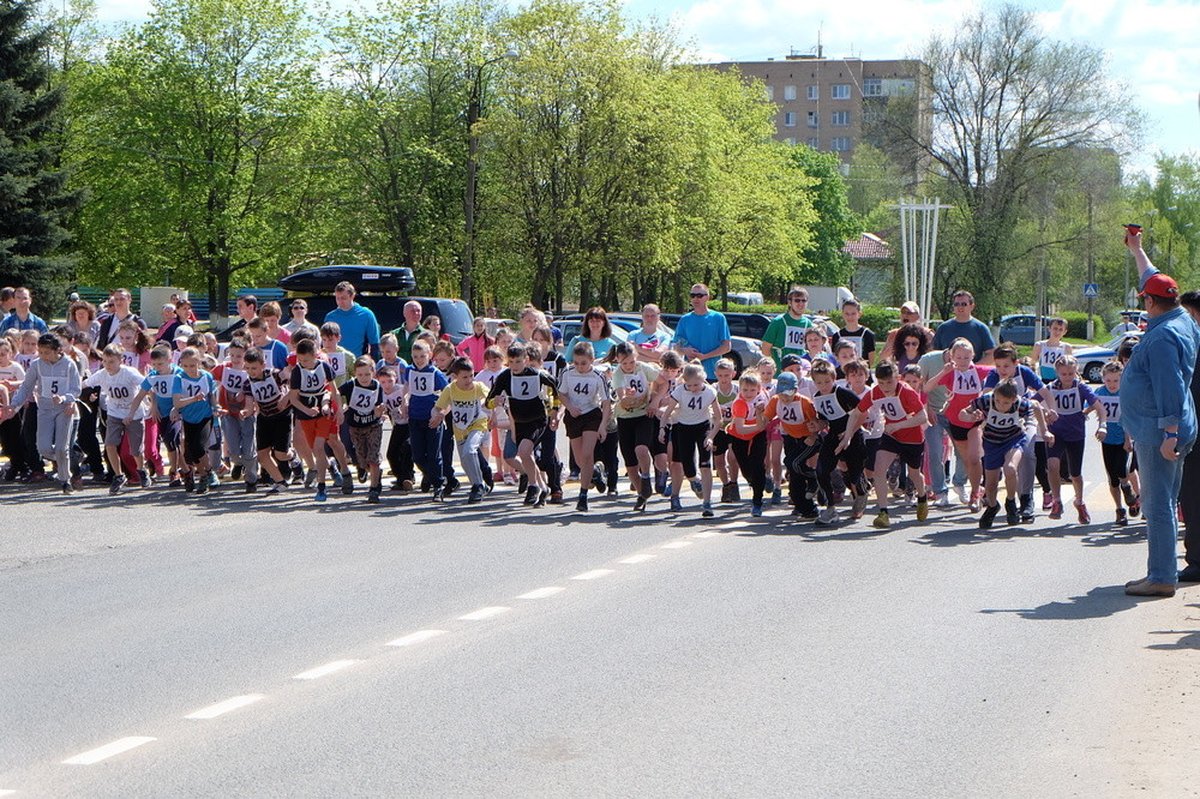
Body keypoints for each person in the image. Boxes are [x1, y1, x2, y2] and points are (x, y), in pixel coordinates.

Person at [1121, 229, 1200, 597]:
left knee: (1158, 505)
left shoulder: (1164, 336)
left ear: (1150, 304)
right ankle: (1161, 571)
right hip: (1169, 425)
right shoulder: (1181, 316)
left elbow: (1169, 387)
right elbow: (1152, 278)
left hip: (1160, 432)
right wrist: (1138, 250)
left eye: (1144, 300)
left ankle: (1161, 576)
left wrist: (1168, 434)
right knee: (1164, 501)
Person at [840, 360, 928, 528]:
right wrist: (847, 435)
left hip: (912, 437)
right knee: (879, 470)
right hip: (891, 436)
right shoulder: (875, 393)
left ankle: (922, 497)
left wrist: (898, 425)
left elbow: (923, 417)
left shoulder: (907, 392)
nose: (885, 387)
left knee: (914, 474)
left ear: (898, 378)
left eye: (889, 382)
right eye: (881, 383)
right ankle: (883, 512)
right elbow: (857, 412)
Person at [962, 379, 1047, 529]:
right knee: (991, 483)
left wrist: (1043, 430)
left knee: (1010, 468)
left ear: (1014, 399)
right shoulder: (986, 400)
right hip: (991, 443)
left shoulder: (1021, 404)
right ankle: (993, 506)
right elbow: (962, 413)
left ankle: (1011, 501)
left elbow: (1036, 408)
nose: (1001, 406)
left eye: (1006, 403)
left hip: (1013, 440)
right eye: (998, 401)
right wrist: (970, 417)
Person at [3, 333, 80, 493]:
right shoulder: (37, 364)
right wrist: (14, 404)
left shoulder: (69, 364)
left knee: (61, 447)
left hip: (64, 409)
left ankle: (65, 480)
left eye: (47, 352)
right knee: (43, 448)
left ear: (57, 350)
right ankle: (69, 459)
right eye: (41, 352)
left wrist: (65, 398)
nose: (43, 356)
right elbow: (26, 386)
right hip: (44, 410)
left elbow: (76, 388)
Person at [485, 342, 559, 508]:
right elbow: (488, 401)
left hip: (537, 420)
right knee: (527, 456)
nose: (515, 366)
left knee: (523, 451)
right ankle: (543, 487)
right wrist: (493, 402)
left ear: (526, 360)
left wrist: (554, 409)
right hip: (519, 422)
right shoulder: (504, 377)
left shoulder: (537, 374)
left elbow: (556, 386)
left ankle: (533, 486)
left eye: (518, 361)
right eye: (511, 362)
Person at [1037, 355, 1104, 524]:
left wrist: (1102, 425)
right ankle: (1057, 501)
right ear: (1057, 373)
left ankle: (1079, 501)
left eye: (1071, 373)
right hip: (1056, 433)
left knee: (1075, 474)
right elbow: (1032, 402)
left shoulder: (1080, 387)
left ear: (1076, 372)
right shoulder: (1050, 388)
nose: (1067, 377)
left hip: (1075, 434)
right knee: (1052, 465)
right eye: (1064, 374)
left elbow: (1099, 406)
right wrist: (1045, 413)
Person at [927, 338, 992, 511]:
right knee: (967, 461)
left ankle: (975, 494)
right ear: (952, 357)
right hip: (956, 421)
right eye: (959, 357)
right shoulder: (950, 373)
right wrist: (942, 372)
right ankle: (976, 489)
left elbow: (1000, 371)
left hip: (975, 419)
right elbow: (927, 388)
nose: (963, 361)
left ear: (973, 356)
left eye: (966, 357)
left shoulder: (979, 371)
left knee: (974, 458)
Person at [86, 343, 151, 493]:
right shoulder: (102, 374)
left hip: (134, 414)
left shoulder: (129, 373)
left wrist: (150, 402)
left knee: (135, 450)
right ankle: (118, 475)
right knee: (109, 443)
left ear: (120, 360)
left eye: (111, 361)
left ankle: (141, 470)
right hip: (114, 413)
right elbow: (85, 384)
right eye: (105, 361)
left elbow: (147, 384)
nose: (108, 365)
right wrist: (84, 393)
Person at [658, 362, 721, 517]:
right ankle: (694, 480)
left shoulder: (710, 392)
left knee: (705, 465)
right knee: (687, 466)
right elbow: (667, 413)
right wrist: (661, 429)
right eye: (690, 385)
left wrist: (711, 437)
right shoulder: (680, 392)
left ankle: (707, 503)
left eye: (697, 385)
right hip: (684, 428)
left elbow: (719, 419)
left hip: (703, 427)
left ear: (703, 380)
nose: (693, 389)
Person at [431, 356, 493, 505]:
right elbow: (438, 407)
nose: (469, 380)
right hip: (460, 429)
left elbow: (490, 397)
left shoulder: (477, 387)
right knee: (465, 461)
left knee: (470, 450)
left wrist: (493, 404)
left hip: (477, 424)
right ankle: (478, 484)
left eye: (471, 375)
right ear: (455, 376)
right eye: (464, 377)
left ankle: (478, 486)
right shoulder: (450, 389)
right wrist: (437, 415)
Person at [557, 341, 611, 512]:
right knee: (580, 460)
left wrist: (602, 426)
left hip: (591, 415)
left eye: (584, 363)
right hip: (574, 415)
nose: (580, 367)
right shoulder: (567, 373)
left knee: (587, 454)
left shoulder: (597, 376)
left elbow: (606, 403)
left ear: (592, 360)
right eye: (576, 363)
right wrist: (570, 407)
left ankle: (583, 495)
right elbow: (561, 393)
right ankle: (595, 471)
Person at [764, 370, 819, 519]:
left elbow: (816, 422)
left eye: (788, 394)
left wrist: (813, 436)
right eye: (781, 394)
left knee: (792, 462)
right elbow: (765, 419)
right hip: (790, 438)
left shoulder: (804, 402)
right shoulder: (775, 401)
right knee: (794, 475)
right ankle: (807, 509)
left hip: (808, 439)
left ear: (795, 390)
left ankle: (816, 477)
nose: (784, 398)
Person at [243, 347, 292, 495]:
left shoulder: (275, 375)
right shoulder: (247, 383)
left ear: (263, 365)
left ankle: (294, 459)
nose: (252, 371)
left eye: (255, 368)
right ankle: (280, 482)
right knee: (262, 455)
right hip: (264, 417)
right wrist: (245, 412)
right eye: (248, 368)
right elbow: (249, 405)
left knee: (280, 454)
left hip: (282, 416)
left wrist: (286, 397)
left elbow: (294, 385)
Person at [1095, 361, 1139, 527]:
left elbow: (1127, 418)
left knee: (1122, 470)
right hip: (1107, 441)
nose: (1112, 385)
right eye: (1109, 381)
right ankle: (1119, 509)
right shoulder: (1099, 393)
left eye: (1116, 381)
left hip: (1122, 439)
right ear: (1103, 379)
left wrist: (1128, 439)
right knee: (1112, 477)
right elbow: (1089, 406)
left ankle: (1128, 489)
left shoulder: (1125, 394)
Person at [404, 340, 450, 500]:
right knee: (417, 455)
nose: (419, 359)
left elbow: (448, 395)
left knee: (433, 454)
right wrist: (404, 401)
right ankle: (430, 475)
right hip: (415, 417)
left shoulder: (435, 373)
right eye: (415, 356)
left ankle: (438, 487)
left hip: (432, 418)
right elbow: (407, 387)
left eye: (422, 356)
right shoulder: (409, 370)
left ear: (429, 355)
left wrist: (441, 413)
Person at [339, 356, 386, 503]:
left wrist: (380, 411)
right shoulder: (350, 385)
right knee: (362, 460)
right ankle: (373, 473)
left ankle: (373, 489)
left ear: (373, 372)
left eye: (367, 374)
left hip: (373, 425)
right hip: (356, 426)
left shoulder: (377, 386)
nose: (363, 378)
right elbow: (334, 392)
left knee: (373, 457)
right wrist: (335, 406)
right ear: (355, 374)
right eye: (360, 375)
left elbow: (380, 406)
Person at [172, 347, 219, 494]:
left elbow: (211, 395)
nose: (188, 369)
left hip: (204, 416)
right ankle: (203, 476)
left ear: (199, 363)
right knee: (192, 450)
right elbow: (177, 403)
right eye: (185, 366)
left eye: (192, 365)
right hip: (188, 418)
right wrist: (194, 399)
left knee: (199, 446)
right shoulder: (179, 378)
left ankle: (210, 472)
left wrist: (216, 407)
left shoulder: (206, 376)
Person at [672, 284, 731, 379]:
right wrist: (685, 350)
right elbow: (676, 346)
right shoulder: (685, 319)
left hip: (713, 373)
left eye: (699, 295)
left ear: (707, 297)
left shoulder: (718, 318)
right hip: (690, 374)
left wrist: (704, 356)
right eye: (692, 295)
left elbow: (726, 347)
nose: (696, 298)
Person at [932, 291, 995, 364]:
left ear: (972, 306)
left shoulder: (981, 328)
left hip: (972, 373)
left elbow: (991, 354)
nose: (960, 307)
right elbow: (934, 352)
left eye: (964, 304)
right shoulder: (943, 328)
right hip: (947, 372)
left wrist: (975, 368)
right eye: (956, 304)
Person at [324, 282, 381, 359]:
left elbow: (375, 345)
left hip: (358, 364)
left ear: (352, 296)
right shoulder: (330, 317)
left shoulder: (366, 315)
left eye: (343, 298)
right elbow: (324, 344)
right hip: (335, 363)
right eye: (337, 298)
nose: (340, 301)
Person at [761, 287, 814, 366]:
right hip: (780, 373)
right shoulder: (778, 322)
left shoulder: (808, 324)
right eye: (797, 300)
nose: (800, 304)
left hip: (800, 371)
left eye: (804, 300)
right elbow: (765, 349)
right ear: (789, 302)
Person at [832, 298, 877, 367]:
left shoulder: (868, 334)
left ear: (859, 314)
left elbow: (871, 360)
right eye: (847, 314)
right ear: (842, 314)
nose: (850, 317)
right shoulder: (837, 336)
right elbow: (835, 358)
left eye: (853, 313)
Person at [1030, 318, 1073, 382]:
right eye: (1055, 328)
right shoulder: (1039, 345)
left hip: (1060, 382)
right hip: (1043, 381)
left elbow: (1069, 367)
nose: (1057, 332)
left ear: (1065, 332)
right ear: (1049, 329)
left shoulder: (1067, 347)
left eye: (1061, 329)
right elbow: (1031, 364)